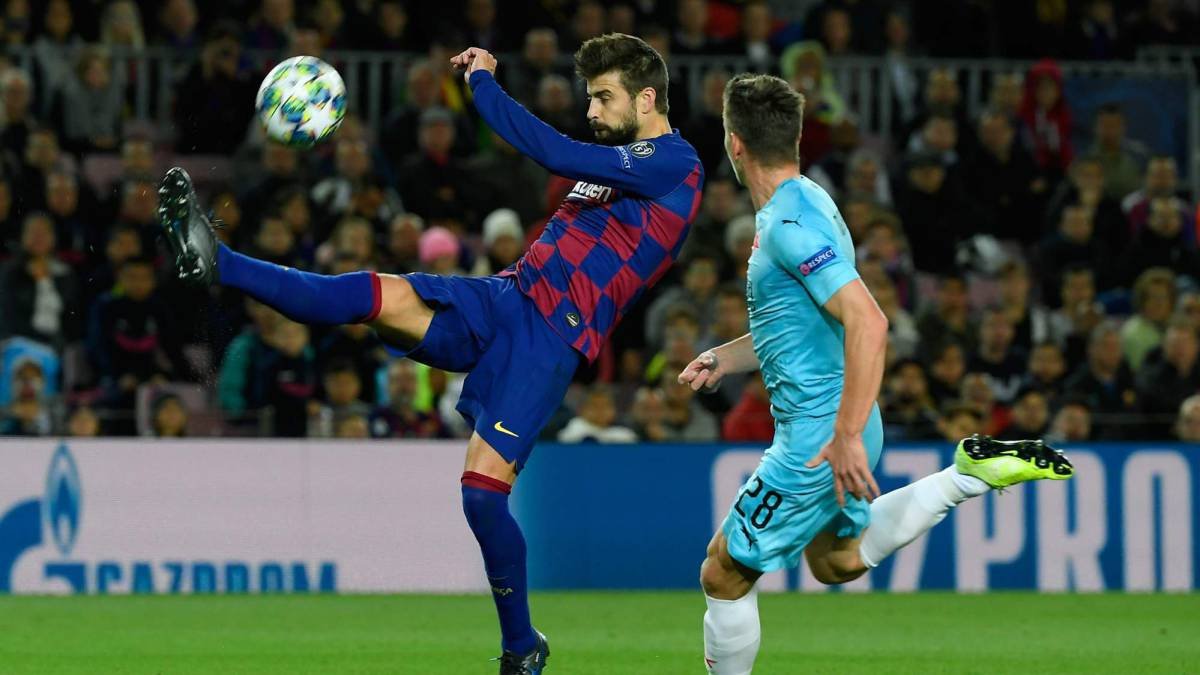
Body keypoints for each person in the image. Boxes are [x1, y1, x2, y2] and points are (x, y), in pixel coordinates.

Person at [156, 34, 702, 675]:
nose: (591, 110)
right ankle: (217, 262)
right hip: (507, 295)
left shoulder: (675, 162)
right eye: (590, 97)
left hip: (551, 335)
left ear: (646, 99)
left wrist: (483, 83)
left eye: (603, 97)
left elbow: (554, 152)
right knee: (370, 295)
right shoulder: (622, 162)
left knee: (482, 497)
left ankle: (522, 647)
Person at [676, 73, 1072, 675]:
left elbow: (869, 321)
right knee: (835, 560)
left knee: (723, 571)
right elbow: (806, 321)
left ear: (734, 144)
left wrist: (845, 435)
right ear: (795, 138)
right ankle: (966, 475)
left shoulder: (787, 227)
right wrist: (727, 358)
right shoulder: (811, 201)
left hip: (821, 431)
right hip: (841, 419)